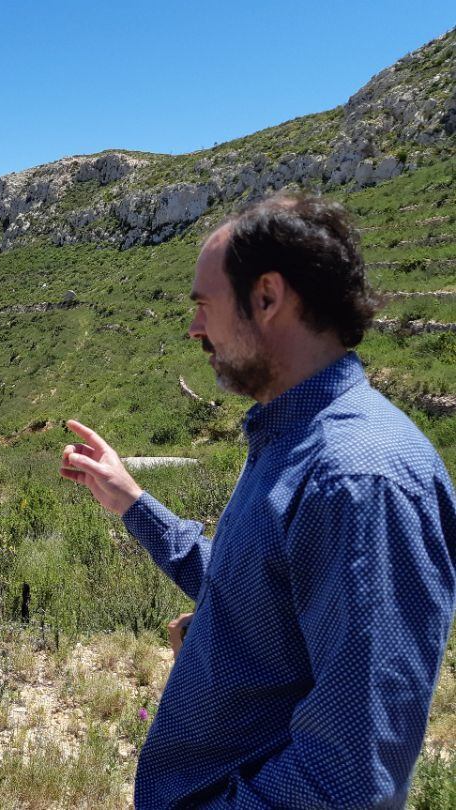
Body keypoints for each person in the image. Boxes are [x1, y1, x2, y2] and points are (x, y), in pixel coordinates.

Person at [60, 193, 455, 808]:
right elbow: (251, 589)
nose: (194, 328)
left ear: (267, 297)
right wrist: (131, 502)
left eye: (203, 305)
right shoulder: (293, 438)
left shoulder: (357, 478)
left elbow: (348, 779)